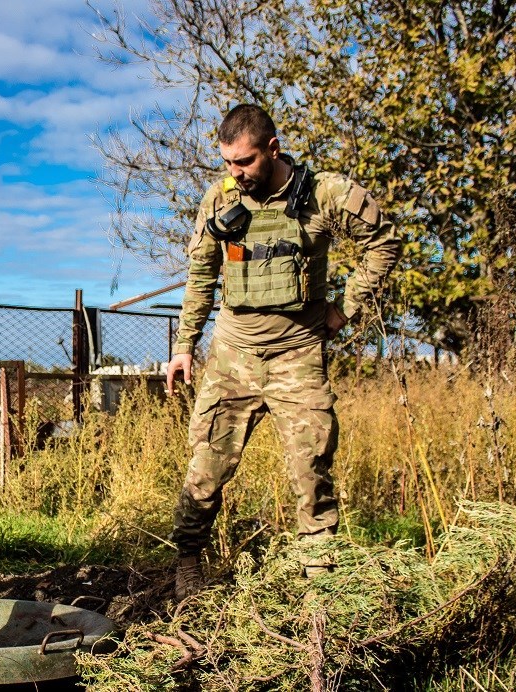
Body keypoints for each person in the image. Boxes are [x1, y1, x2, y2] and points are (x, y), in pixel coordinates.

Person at [167, 104, 401, 598]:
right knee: (205, 470)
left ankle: (319, 592)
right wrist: (184, 347)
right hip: (233, 356)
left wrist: (346, 309)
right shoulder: (219, 199)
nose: (235, 173)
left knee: (311, 474)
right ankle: (188, 565)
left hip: (296, 355)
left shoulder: (324, 193)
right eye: (228, 163)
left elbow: (382, 239)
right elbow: (201, 275)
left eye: (245, 162)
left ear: (272, 149)